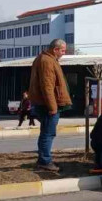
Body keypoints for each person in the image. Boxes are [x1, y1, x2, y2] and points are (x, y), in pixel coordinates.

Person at [28, 39, 72, 172]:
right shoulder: (47, 61)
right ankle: (45, 161)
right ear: (55, 49)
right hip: (47, 105)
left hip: (44, 103)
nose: (64, 53)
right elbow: (47, 86)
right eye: (63, 50)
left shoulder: (46, 59)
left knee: (46, 132)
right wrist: (52, 107)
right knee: (48, 133)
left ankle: (43, 159)